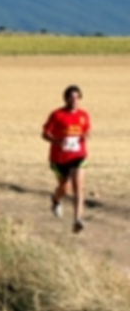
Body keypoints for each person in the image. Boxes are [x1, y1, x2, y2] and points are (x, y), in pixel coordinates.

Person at [42, 85, 90, 233]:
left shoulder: (83, 115)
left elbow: (86, 130)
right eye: (71, 97)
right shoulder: (57, 115)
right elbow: (45, 134)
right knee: (65, 188)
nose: (74, 100)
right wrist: (57, 141)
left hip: (78, 155)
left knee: (78, 187)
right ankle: (56, 199)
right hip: (59, 158)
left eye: (77, 97)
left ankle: (78, 220)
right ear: (66, 99)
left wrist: (85, 136)